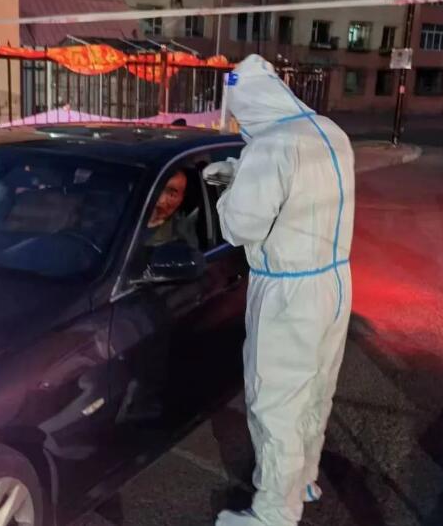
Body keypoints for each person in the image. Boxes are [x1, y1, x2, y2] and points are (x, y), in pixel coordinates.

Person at [203, 54, 355, 526]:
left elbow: (238, 227)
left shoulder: (271, 145)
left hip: (287, 294)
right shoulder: (329, 131)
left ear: (246, 103)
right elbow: (299, 186)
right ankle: (302, 478)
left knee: (275, 402)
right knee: (314, 390)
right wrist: (241, 170)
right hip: (333, 282)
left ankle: (273, 513)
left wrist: (228, 190)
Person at [143, 170, 199, 249]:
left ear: (181, 199)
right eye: (157, 190)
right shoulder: (127, 215)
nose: (161, 200)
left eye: (172, 195)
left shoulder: (180, 235)